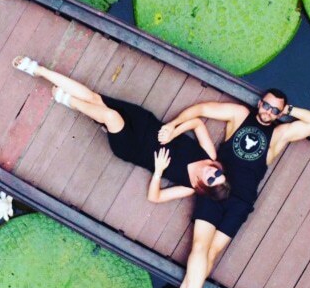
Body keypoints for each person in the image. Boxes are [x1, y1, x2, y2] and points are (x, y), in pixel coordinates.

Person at [156, 88, 310, 288]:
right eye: (266, 105)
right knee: (200, 247)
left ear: (280, 113)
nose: (268, 112)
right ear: (260, 103)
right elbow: (202, 109)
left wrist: (289, 111)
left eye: (275, 110)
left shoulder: (278, 135)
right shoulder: (239, 115)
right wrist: (173, 125)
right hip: (215, 186)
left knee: (212, 252)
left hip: (241, 200)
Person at [12, 56, 231, 203]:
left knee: (110, 116)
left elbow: (154, 197)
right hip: (145, 123)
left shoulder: (189, 187)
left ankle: (69, 100)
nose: (212, 173)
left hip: (132, 147)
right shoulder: (209, 156)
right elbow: (198, 123)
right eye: (218, 173)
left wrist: (158, 171)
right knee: (94, 97)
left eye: (212, 180)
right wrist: (173, 129)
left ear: (204, 187)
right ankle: (37, 69)